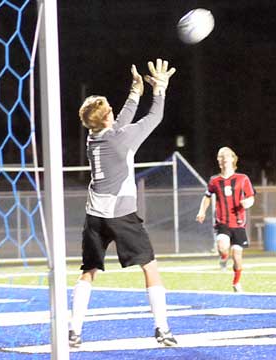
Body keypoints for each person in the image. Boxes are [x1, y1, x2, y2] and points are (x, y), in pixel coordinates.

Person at [69, 59, 177, 347]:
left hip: (94, 215)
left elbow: (119, 122)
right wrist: (160, 89)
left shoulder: (94, 138)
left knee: (88, 271)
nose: (112, 111)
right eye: (108, 109)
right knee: (150, 267)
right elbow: (153, 118)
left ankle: (74, 331)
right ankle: (162, 329)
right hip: (121, 214)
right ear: (105, 117)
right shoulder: (120, 139)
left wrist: (135, 91)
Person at [196, 147, 255, 292]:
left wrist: (248, 203)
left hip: (239, 223)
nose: (223, 159)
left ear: (233, 159)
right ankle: (223, 257)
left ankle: (236, 282)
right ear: (218, 160)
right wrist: (202, 211)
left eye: (226, 156)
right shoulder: (214, 181)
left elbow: (251, 197)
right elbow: (207, 196)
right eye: (220, 156)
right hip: (222, 222)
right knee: (223, 247)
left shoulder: (242, 179)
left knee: (237, 256)